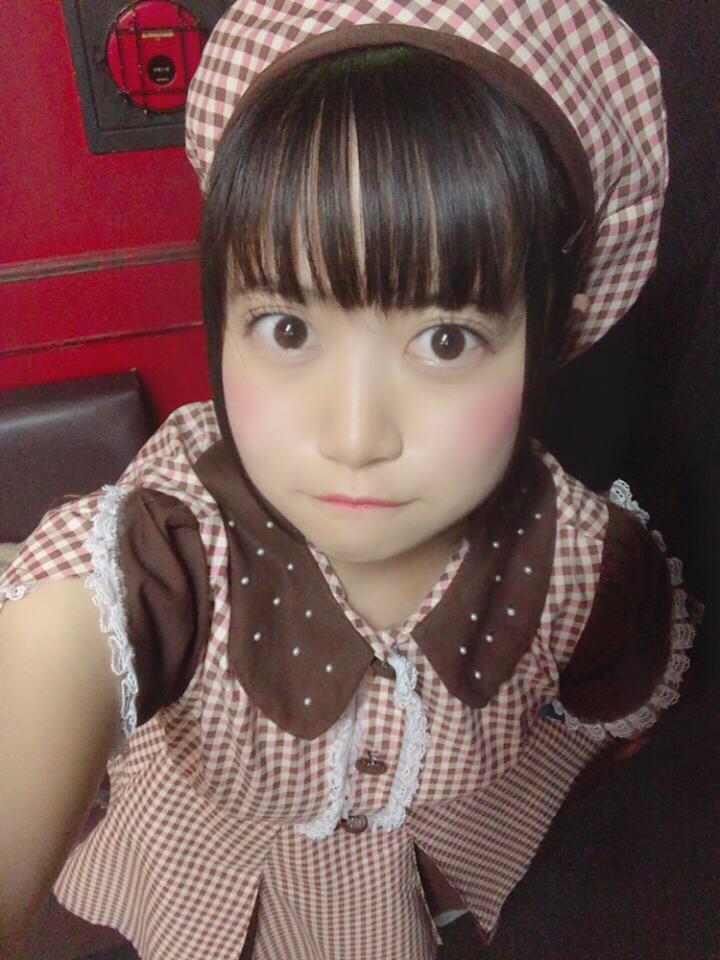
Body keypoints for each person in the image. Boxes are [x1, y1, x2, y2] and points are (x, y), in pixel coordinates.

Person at [0, 2, 703, 958]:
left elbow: (622, 706)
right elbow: (67, 635)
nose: (356, 434)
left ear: (546, 336)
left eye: (446, 340)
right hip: (211, 894)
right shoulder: (181, 535)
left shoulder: (585, 564)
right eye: (289, 329)